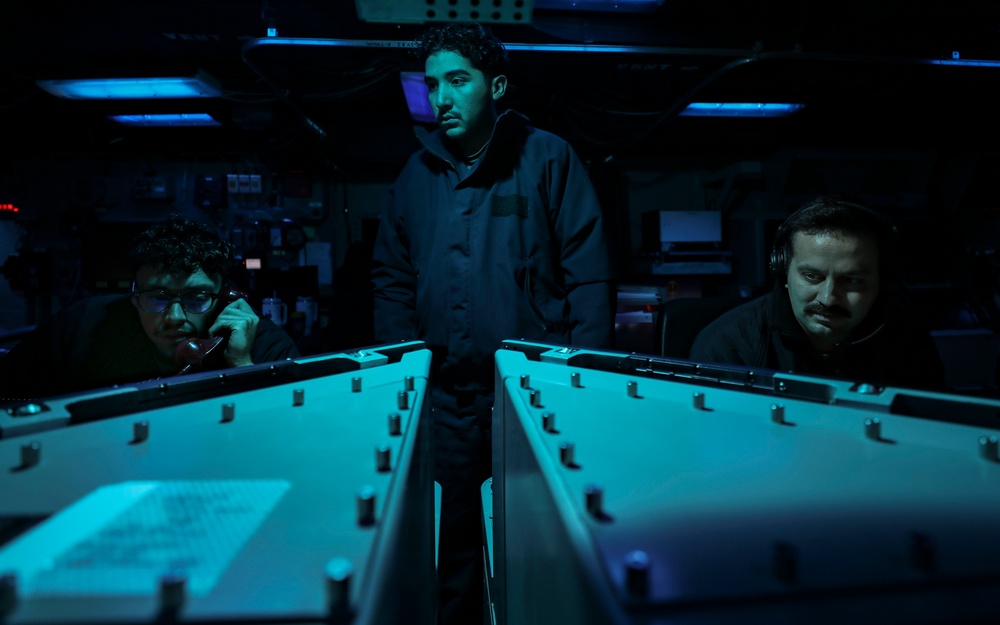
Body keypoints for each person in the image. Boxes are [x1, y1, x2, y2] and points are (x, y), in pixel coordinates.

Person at [370, 22, 615, 625]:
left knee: (537, 536)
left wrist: (579, 384)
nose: (442, 98)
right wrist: (407, 380)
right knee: (450, 542)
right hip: (447, 399)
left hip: (530, 398)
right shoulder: (415, 176)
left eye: (458, 80)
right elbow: (392, 281)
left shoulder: (548, 158)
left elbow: (589, 276)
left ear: (496, 84)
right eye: (432, 84)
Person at [0, 215, 299, 399]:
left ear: (224, 298)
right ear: (134, 297)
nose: (174, 318)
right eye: (157, 298)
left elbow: (289, 434)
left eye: (196, 298)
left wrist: (243, 366)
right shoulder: (83, 326)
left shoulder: (265, 346)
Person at [690, 195, 946, 390]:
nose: (828, 297)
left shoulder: (908, 339)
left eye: (852, 280)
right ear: (783, 271)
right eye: (812, 277)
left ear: (884, 281)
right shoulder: (728, 346)